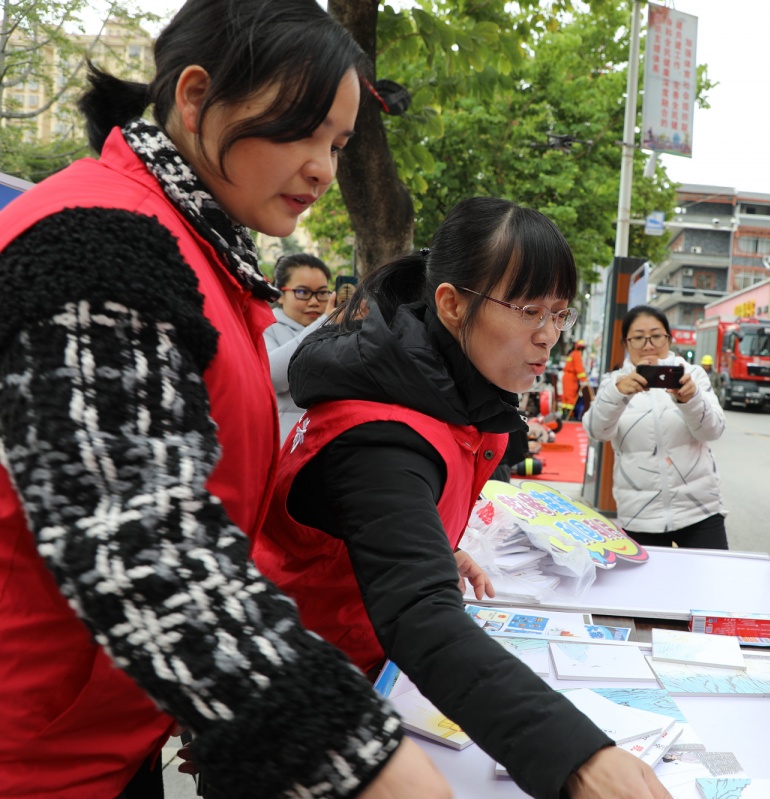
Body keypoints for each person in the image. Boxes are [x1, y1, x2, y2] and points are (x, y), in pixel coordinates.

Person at [0, 1, 447, 798]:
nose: (322, 168)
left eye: (338, 145)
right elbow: (141, 547)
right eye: (302, 129)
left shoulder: (191, 243)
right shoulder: (102, 238)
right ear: (198, 96)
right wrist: (357, 754)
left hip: (102, 735)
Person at [253, 197, 670, 799]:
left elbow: (370, 533)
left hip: (370, 680)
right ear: (450, 304)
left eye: (560, 313)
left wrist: (431, 544)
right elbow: (420, 616)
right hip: (305, 707)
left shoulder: (450, 397)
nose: (549, 336)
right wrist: (577, 758)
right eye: (529, 310)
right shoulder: (381, 435)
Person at [582, 305, 728, 549]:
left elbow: (712, 431)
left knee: (710, 584)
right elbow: (597, 432)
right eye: (638, 337)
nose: (648, 345)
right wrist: (617, 394)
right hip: (639, 515)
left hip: (700, 510)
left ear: (668, 338)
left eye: (656, 336)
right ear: (626, 343)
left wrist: (690, 400)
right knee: (643, 587)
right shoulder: (614, 383)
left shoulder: (693, 376)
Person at [264, 252, 336, 438]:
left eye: (321, 293)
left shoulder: (337, 329)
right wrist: (325, 321)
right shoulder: (266, 328)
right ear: (280, 294)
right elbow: (275, 376)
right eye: (302, 292)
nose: (314, 302)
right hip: (284, 445)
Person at [560, 338, 590, 419]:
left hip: (566, 377)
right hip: (571, 379)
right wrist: (584, 380)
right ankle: (570, 415)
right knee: (570, 397)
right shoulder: (577, 355)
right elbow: (579, 369)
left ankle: (565, 414)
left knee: (566, 396)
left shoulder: (572, 353)